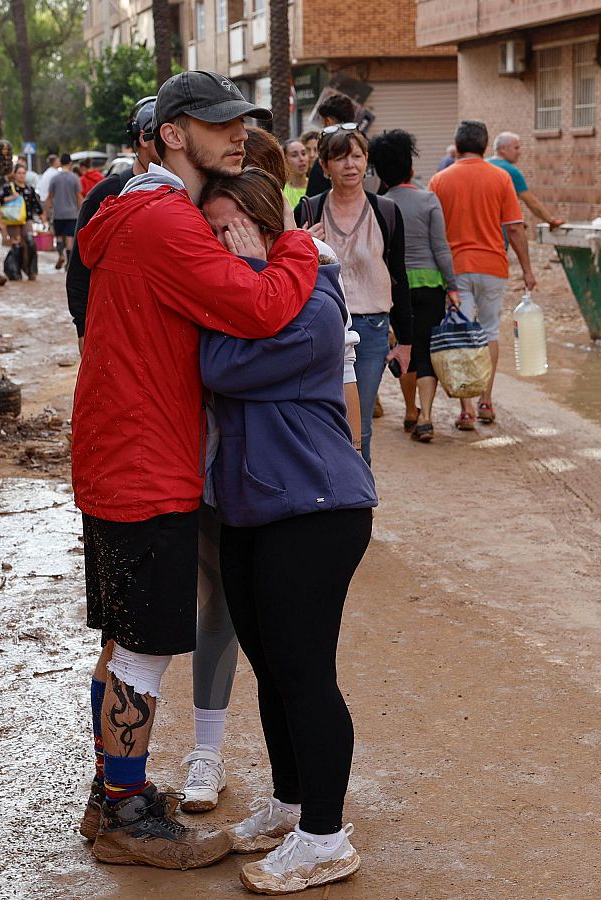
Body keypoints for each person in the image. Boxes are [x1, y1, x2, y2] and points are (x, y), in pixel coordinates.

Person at [72, 70, 321, 870]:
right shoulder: (167, 220)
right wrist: (294, 247)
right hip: (147, 459)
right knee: (143, 649)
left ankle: (118, 792)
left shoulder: (130, 209)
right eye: (219, 124)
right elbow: (258, 309)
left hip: (118, 451)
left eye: (241, 121)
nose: (237, 134)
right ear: (173, 133)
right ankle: (123, 817)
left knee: (123, 641)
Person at [196, 167, 377, 895]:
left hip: (317, 508)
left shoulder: (315, 302)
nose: (219, 241)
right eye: (209, 229)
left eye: (232, 228)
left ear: (267, 229)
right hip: (249, 506)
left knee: (305, 675)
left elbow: (220, 364)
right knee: (274, 671)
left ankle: (327, 838)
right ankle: (291, 805)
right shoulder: (241, 296)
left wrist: (244, 273)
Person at [296, 126, 410, 463]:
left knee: (359, 422)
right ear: (325, 166)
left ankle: (360, 500)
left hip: (373, 330)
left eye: (357, 156)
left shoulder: (386, 211)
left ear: (367, 162)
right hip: (323, 327)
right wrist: (301, 243)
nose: (350, 164)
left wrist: (405, 340)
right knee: (323, 416)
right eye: (341, 157)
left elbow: (398, 276)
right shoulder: (309, 211)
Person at [429, 119, 535, 429]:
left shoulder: (439, 180)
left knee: (463, 332)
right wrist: (527, 269)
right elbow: (514, 229)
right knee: (488, 331)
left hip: (455, 269)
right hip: (493, 266)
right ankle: (486, 399)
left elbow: (432, 230)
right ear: (486, 147)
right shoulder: (501, 178)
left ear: (457, 146)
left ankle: (467, 408)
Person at [370, 129, 456, 443]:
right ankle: (428, 417)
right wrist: (453, 286)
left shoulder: (378, 205)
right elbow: (441, 248)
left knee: (403, 346)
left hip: (394, 289)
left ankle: (410, 410)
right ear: (410, 168)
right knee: (424, 349)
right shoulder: (428, 199)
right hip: (431, 286)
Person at [68, 96, 158, 349]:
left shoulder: (189, 189)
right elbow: (80, 267)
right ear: (143, 137)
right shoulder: (106, 194)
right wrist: (83, 327)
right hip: (116, 331)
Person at [488, 132, 565, 233]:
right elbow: (531, 202)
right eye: (516, 148)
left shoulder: (484, 164)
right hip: (498, 233)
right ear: (502, 149)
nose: (519, 152)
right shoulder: (511, 171)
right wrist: (551, 221)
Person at [305, 93, 356, 195]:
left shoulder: (324, 160)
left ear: (328, 121)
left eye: (322, 123)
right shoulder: (369, 150)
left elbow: (311, 202)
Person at [0, 161, 40, 281]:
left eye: (23, 173)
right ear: (15, 174)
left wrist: (43, 217)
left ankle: (31, 270)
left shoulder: (30, 189)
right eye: (19, 173)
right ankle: (14, 271)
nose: (21, 175)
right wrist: (12, 197)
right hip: (13, 220)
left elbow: (36, 205)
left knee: (30, 242)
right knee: (16, 245)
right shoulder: (8, 188)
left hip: (26, 220)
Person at [47, 153, 83, 269]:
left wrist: (45, 212)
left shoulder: (54, 178)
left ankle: (60, 255)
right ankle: (69, 262)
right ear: (70, 163)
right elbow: (79, 196)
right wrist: (81, 210)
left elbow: (50, 197)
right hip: (72, 214)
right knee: (69, 238)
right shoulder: (75, 178)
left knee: (58, 237)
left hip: (58, 214)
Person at [283, 138, 310, 212]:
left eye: (304, 153)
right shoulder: (281, 192)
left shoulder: (318, 185)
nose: (301, 159)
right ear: (285, 160)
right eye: (294, 155)